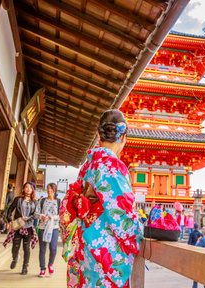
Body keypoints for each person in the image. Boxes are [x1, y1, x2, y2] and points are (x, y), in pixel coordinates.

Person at [60, 109, 143, 288]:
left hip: (86, 246)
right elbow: (122, 216)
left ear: (99, 135)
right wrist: (140, 230)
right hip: (103, 252)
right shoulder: (112, 166)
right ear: (123, 137)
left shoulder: (88, 166)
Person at [4, 181, 38, 275]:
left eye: (30, 188)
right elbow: (10, 209)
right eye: (26, 187)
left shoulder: (35, 201)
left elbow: (36, 214)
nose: (28, 189)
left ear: (33, 190)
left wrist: (28, 218)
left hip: (28, 227)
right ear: (23, 188)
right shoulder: (18, 199)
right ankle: (15, 258)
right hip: (18, 226)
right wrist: (10, 220)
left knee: (26, 247)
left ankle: (25, 266)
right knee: (15, 247)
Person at [35, 183, 60, 277]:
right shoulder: (41, 201)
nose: (49, 190)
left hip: (54, 228)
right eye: (48, 188)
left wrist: (52, 217)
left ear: (54, 190)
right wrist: (41, 216)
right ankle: (42, 269)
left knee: (53, 248)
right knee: (42, 249)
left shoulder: (58, 201)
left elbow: (61, 215)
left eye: (51, 189)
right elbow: (36, 213)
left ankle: (50, 264)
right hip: (42, 228)